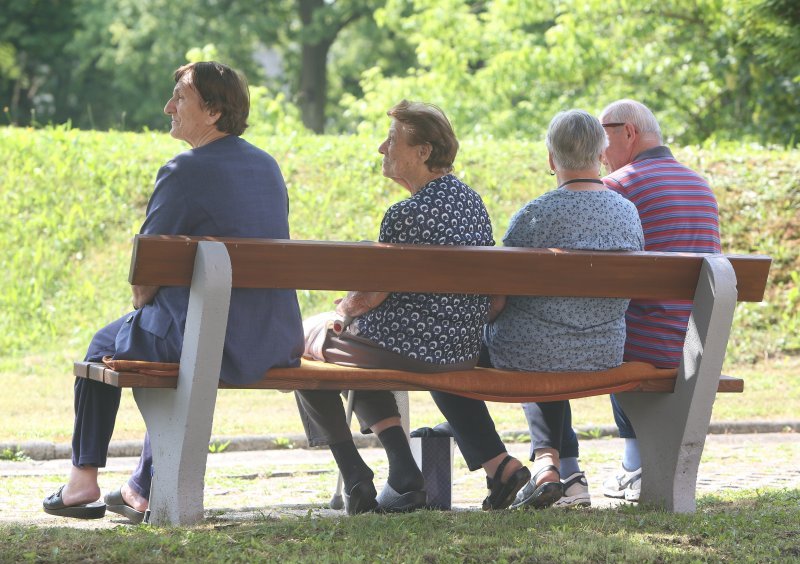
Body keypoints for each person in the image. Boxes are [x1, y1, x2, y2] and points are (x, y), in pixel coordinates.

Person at [42, 61, 304, 522]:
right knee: (173, 348)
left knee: (104, 346)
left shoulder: (184, 169)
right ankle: (142, 484)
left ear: (213, 111)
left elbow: (145, 277)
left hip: (213, 340)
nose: (169, 106)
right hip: (271, 338)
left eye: (180, 97)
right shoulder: (267, 165)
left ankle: (82, 482)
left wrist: (144, 304)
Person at [294, 100, 500, 514]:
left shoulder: (404, 214)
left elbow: (371, 295)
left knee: (302, 347)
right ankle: (402, 469)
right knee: (354, 346)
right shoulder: (472, 203)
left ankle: (355, 474)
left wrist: (345, 310)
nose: (380, 149)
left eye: (391, 141)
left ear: (423, 152)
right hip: (459, 349)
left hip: (409, 349)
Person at [432, 109, 643, 511]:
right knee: (546, 340)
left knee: (444, 358)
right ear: (601, 154)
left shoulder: (534, 215)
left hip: (535, 352)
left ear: (551, 159)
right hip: (603, 352)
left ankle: (500, 465)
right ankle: (550, 466)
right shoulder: (626, 212)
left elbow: (496, 300)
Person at [597, 99, 721, 502]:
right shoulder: (700, 186)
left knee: (609, 327)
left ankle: (634, 462)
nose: (599, 154)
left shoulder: (619, 186)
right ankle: (636, 462)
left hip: (640, 346)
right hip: (696, 343)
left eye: (603, 139)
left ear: (628, 133)